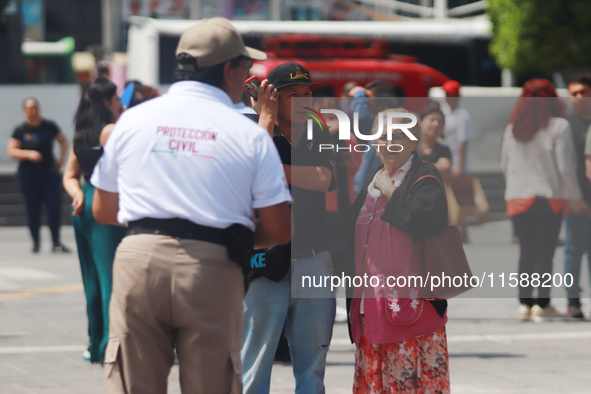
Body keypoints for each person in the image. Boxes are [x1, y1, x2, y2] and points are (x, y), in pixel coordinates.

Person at [91, 18, 291, 393]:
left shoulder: (132, 120)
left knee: (134, 384)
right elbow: (279, 228)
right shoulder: (248, 134)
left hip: (139, 259)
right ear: (230, 70)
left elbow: (103, 210)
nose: (249, 75)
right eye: (247, 67)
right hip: (211, 265)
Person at [333, 108, 450, 393]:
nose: (390, 143)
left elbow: (428, 221)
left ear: (414, 141)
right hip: (369, 306)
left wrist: (392, 193)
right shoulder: (373, 177)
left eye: (399, 135)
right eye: (383, 137)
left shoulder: (424, 174)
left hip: (411, 308)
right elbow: (352, 237)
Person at [241, 62, 337, 394]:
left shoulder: (316, 128)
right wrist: (264, 121)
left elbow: (325, 179)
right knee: (254, 363)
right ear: (270, 96)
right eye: (292, 95)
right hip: (264, 259)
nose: (303, 102)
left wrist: (274, 168)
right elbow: (249, 171)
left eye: (307, 94)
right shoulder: (249, 126)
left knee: (313, 368)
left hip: (313, 257)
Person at [501, 79, 588, 322]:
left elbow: (504, 165)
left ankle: (524, 304)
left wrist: (513, 189)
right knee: (544, 252)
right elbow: (566, 167)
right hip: (548, 197)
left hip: (517, 197)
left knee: (526, 250)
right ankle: (543, 303)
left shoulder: (512, 128)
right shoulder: (559, 126)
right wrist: (575, 198)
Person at [62, 77, 127, 363]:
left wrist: (77, 193)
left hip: (83, 203)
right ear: (106, 102)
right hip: (106, 201)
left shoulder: (81, 133)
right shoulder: (111, 131)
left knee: (91, 278)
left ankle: (96, 343)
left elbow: (68, 175)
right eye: (116, 99)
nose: (120, 104)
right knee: (110, 277)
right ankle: (112, 345)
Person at [7, 98, 70, 253]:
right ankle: (36, 242)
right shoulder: (20, 130)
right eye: (29, 109)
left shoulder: (49, 126)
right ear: (24, 111)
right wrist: (28, 154)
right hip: (29, 174)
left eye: (35, 108)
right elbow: (12, 150)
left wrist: (61, 160)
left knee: (54, 207)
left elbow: (63, 141)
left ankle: (56, 242)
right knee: (32, 208)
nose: (33, 111)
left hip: (49, 173)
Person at [563, 74, 591, 318]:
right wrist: (574, 197)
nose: (580, 97)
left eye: (584, 92)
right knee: (574, 249)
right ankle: (573, 301)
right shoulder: (566, 125)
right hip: (576, 199)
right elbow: (565, 167)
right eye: (575, 93)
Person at [349, 80, 398, 194]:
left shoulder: (388, 128)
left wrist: (359, 94)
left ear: (382, 107)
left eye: (368, 102)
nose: (366, 106)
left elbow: (362, 117)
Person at [441, 80, 474, 178]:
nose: (448, 97)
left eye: (450, 95)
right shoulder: (444, 112)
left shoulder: (462, 115)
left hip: (455, 164)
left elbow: (462, 141)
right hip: (445, 161)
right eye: (446, 94)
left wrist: (459, 167)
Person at [418, 106, 452, 180]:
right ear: (420, 122)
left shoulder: (444, 150)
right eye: (432, 120)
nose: (436, 124)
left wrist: (416, 166)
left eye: (440, 122)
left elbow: (444, 168)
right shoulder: (411, 147)